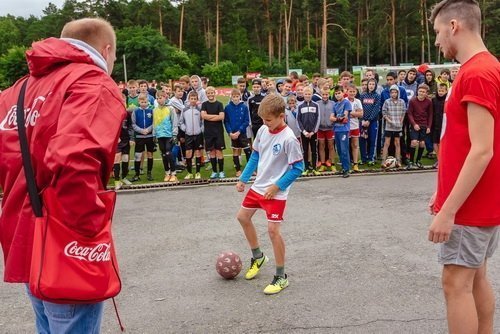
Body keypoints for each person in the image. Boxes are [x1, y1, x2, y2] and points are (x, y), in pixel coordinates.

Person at [0, 18, 125, 333]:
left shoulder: (18, 89)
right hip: (65, 240)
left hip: (24, 237)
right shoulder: (92, 83)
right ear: (107, 50)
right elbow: (74, 161)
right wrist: (90, 232)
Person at [429, 2, 500, 333]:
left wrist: (448, 209)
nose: (437, 41)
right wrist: (441, 192)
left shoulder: (476, 73)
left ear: (454, 26)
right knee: (475, 277)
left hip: (470, 207)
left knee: (455, 283)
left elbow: (482, 151)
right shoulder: (487, 68)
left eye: (438, 32)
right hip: (477, 201)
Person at [235, 93, 304, 295]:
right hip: (258, 187)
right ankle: (258, 257)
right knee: (242, 217)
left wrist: (276, 187)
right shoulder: (264, 130)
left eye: (268, 120)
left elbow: (298, 168)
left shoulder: (289, 138)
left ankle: (281, 277)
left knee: (273, 231)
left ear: (281, 116)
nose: (264, 123)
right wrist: (243, 178)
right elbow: (256, 154)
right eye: (263, 120)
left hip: (276, 192)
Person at [153, 90, 179, 182]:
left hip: (169, 135)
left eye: (161, 98)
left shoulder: (170, 109)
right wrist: (154, 135)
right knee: (163, 155)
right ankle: (167, 172)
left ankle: (173, 173)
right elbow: (154, 123)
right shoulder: (155, 110)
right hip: (160, 135)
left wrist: (174, 134)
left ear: (165, 97)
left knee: (169, 153)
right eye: (157, 98)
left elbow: (174, 122)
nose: (159, 100)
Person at [201, 86, 226, 179]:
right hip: (208, 132)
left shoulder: (219, 104)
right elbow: (203, 116)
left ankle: (222, 171)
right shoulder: (204, 104)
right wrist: (215, 117)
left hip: (218, 132)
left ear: (214, 93)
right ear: (206, 94)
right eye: (208, 93)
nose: (210, 94)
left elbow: (221, 117)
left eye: (212, 93)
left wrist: (209, 117)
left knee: (219, 152)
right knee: (212, 152)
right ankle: (214, 171)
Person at [224, 89, 250, 177]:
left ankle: (250, 170)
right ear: (231, 97)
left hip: (242, 133)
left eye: (237, 96)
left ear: (240, 97)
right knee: (235, 150)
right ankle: (238, 170)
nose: (235, 98)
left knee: (247, 150)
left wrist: (239, 131)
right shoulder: (227, 107)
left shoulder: (244, 107)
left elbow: (246, 121)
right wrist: (230, 132)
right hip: (233, 134)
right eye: (234, 96)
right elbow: (226, 121)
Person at [406, 84, 433, 169]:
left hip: (424, 125)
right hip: (415, 125)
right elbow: (409, 113)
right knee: (414, 142)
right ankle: (411, 161)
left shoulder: (429, 102)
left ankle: (418, 161)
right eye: (420, 91)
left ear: (426, 93)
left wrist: (429, 126)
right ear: (417, 91)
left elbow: (430, 114)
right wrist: (414, 124)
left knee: (422, 143)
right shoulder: (412, 101)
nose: (421, 93)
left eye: (423, 92)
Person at [179, 91, 204, 179]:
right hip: (188, 135)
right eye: (191, 99)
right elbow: (181, 122)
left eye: (195, 99)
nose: (193, 100)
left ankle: (197, 172)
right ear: (189, 99)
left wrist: (201, 130)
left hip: (198, 135)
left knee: (198, 152)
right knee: (188, 153)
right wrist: (185, 129)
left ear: (197, 99)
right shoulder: (185, 109)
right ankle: (189, 172)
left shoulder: (199, 109)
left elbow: (203, 122)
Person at [381, 85, 406, 167]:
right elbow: (384, 113)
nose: (394, 94)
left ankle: (398, 161)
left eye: (395, 92)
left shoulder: (402, 102)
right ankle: (383, 161)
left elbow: (403, 112)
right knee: (386, 143)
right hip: (389, 126)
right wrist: (389, 121)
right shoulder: (387, 102)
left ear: (398, 93)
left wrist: (400, 122)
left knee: (397, 143)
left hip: (398, 126)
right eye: (392, 92)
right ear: (390, 93)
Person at [297, 86, 320, 175]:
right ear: (303, 94)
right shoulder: (300, 106)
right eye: (306, 94)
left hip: (313, 132)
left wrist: (313, 131)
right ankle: (306, 168)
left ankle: (314, 168)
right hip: (304, 133)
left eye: (309, 94)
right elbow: (298, 120)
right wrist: (304, 132)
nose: (307, 95)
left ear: (312, 94)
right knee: (305, 150)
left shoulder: (316, 105)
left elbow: (318, 118)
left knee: (314, 150)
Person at [131, 93, 155, 181]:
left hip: (149, 136)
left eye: (145, 102)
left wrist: (148, 130)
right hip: (139, 137)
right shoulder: (135, 111)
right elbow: (133, 124)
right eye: (142, 102)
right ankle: (137, 174)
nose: (144, 103)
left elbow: (154, 123)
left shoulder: (151, 111)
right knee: (138, 155)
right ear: (139, 102)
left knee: (150, 154)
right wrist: (141, 130)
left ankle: (149, 173)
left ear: (148, 101)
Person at [330, 85, 352, 178]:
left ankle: (347, 169)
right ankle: (343, 168)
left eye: (339, 93)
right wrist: (337, 119)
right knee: (339, 150)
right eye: (336, 94)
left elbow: (345, 117)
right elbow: (331, 117)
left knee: (344, 150)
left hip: (344, 130)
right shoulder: (335, 105)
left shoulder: (346, 103)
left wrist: (337, 118)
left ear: (343, 92)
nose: (338, 95)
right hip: (336, 130)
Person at [114, 93, 133, 190]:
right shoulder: (112, 113)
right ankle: (117, 181)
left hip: (126, 139)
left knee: (125, 158)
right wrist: (115, 137)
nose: (122, 103)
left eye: (124, 101)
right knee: (117, 158)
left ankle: (124, 177)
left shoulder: (127, 114)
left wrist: (131, 138)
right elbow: (109, 128)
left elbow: (130, 127)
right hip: (117, 140)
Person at [360, 78, 381, 165]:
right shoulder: (363, 95)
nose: (371, 86)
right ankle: (363, 158)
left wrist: (369, 120)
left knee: (372, 140)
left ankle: (371, 158)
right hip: (363, 121)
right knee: (362, 139)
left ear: (375, 86)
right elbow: (360, 108)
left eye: (373, 84)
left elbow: (376, 109)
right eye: (370, 84)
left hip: (372, 122)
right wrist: (363, 120)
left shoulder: (377, 96)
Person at [316, 88, 335, 172]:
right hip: (320, 128)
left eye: (326, 94)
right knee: (321, 146)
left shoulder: (333, 104)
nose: (325, 96)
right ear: (321, 94)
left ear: (329, 95)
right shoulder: (317, 104)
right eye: (323, 94)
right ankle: (323, 164)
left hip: (330, 128)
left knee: (331, 146)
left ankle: (332, 163)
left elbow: (336, 115)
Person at [346, 84, 363, 172]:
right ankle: (347, 164)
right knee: (346, 146)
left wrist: (351, 113)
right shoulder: (344, 101)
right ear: (347, 92)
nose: (352, 93)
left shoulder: (358, 101)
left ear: (356, 92)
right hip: (346, 127)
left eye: (354, 92)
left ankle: (355, 164)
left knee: (355, 145)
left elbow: (361, 114)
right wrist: (354, 113)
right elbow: (343, 114)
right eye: (350, 91)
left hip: (355, 126)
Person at [431, 83, 448, 169]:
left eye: (442, 91)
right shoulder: (434, 100)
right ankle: (439, 159)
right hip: (435, 124)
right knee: (435, 143)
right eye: (439, 90)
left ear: (446, 91)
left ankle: (442, 160)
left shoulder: (447, 100)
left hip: (443, 124)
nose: (440, 92)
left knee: (441, 143)